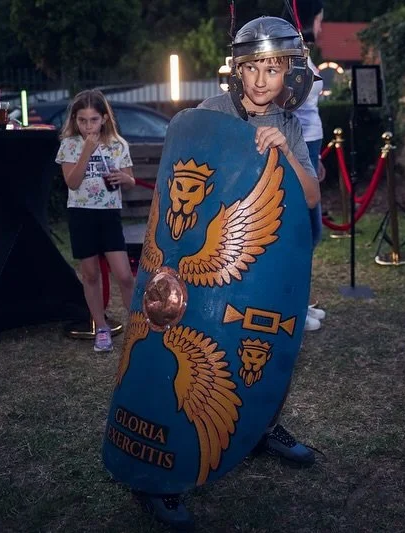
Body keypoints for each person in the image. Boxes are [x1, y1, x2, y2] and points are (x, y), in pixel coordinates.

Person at [131, 15, 321, 530]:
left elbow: (310, 198)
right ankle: (157, 473)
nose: (263, 80)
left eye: (273, 68)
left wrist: (285, 156)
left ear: (290, 75)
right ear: (237, 71)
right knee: (172, 358)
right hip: (192, 268)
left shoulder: (289, 125)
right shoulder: (208, 113)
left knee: (265, 347)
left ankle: (262, 425)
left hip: (256, 266)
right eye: (253, 67)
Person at [55, 89, 136, 353]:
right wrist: (86, 152)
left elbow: (130, 180)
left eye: (93, 120)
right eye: (82, 120)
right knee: (90, 274)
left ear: (104, 118)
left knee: (124, 275)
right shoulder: (69, 145)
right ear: (75, 120)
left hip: (108, 213)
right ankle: (101, 327)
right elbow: (73, 182)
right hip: (81, 212)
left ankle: (138, 325)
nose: (88, 126)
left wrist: (125, 180)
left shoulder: (117, 144)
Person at [286, 0, 328, 332]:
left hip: (311, 149)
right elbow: (291, 109)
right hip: (299, 150)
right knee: (304, 232)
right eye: (321, 19)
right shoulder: (291, 58)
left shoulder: (305, 55)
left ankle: (299, 301)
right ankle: (292, 307)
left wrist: (318, 158)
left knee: (310, 232)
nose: (323, 26)